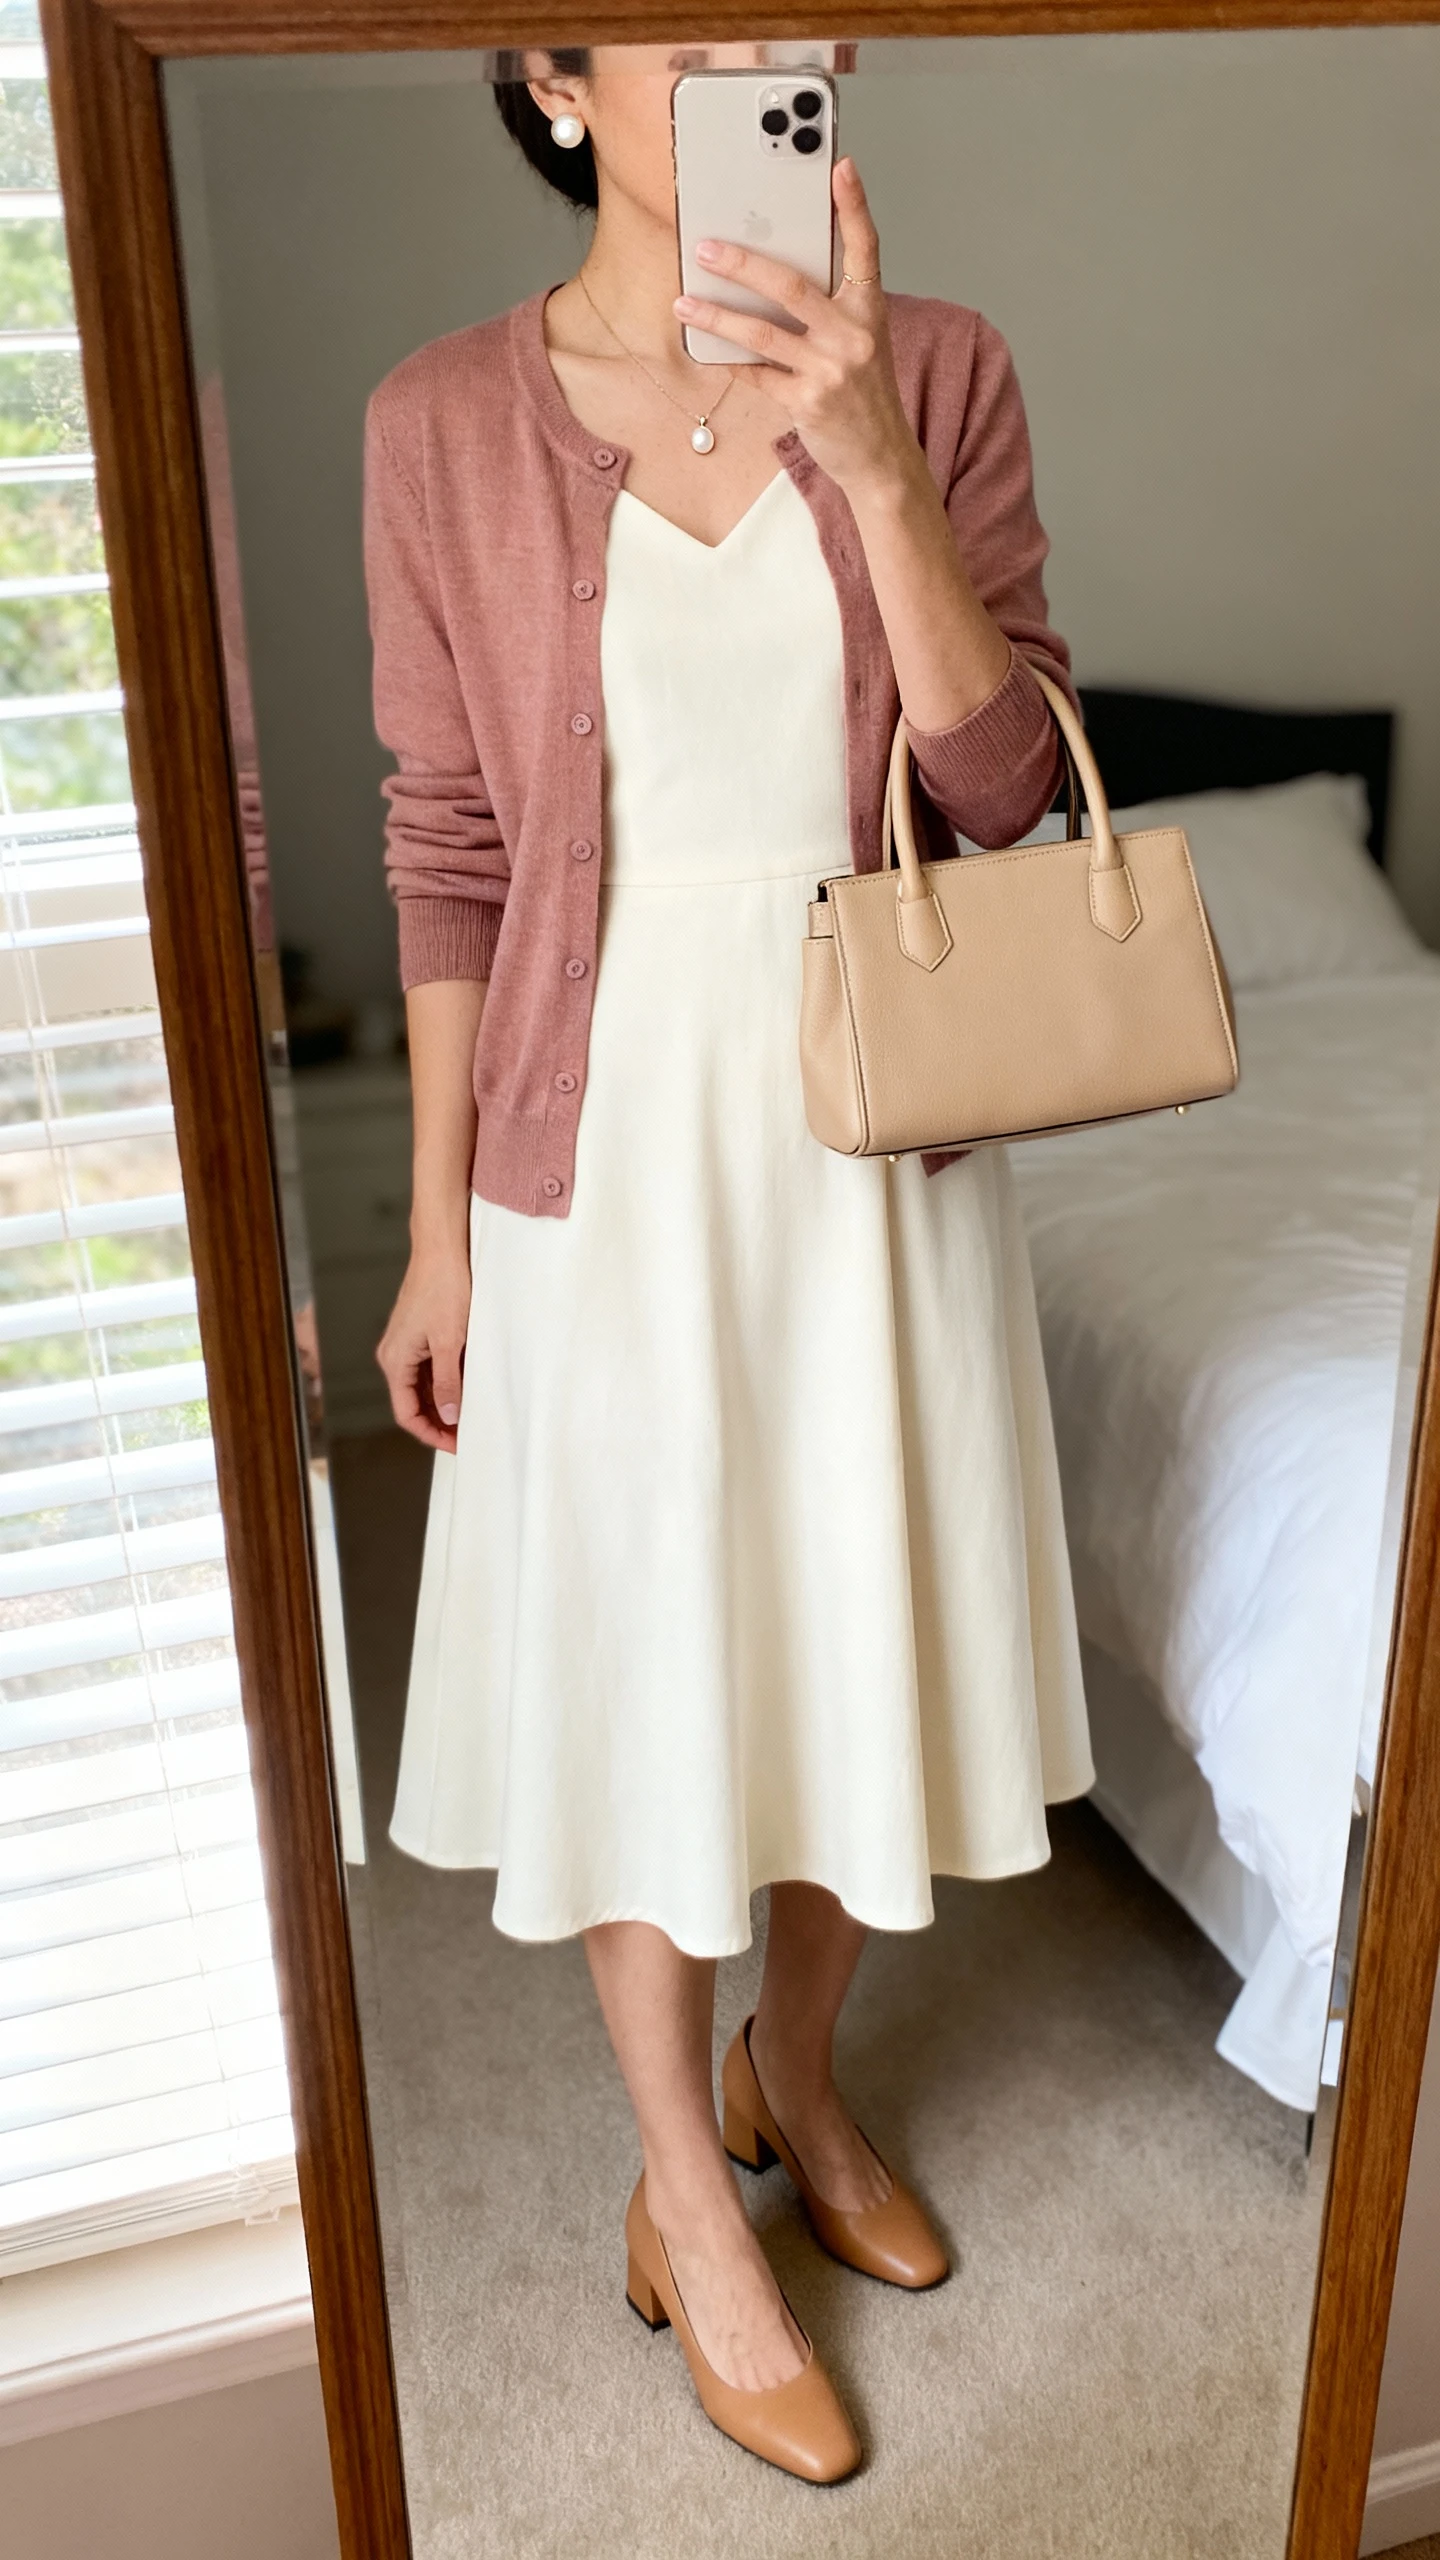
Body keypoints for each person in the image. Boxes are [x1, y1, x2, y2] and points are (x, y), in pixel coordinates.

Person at [365, 45, 1093, 2484]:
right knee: (650, 1653)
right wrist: (438, 1217)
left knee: (831, 1623)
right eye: (694, 21)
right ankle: (688, 2183)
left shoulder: (949, 364)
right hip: (601, 1152)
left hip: (867, 1126)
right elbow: (447, 836)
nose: (779, 52)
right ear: (553, 74)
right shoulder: (442, 422)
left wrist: (873, 456)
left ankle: (802, 2068)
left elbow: (1009, 799)